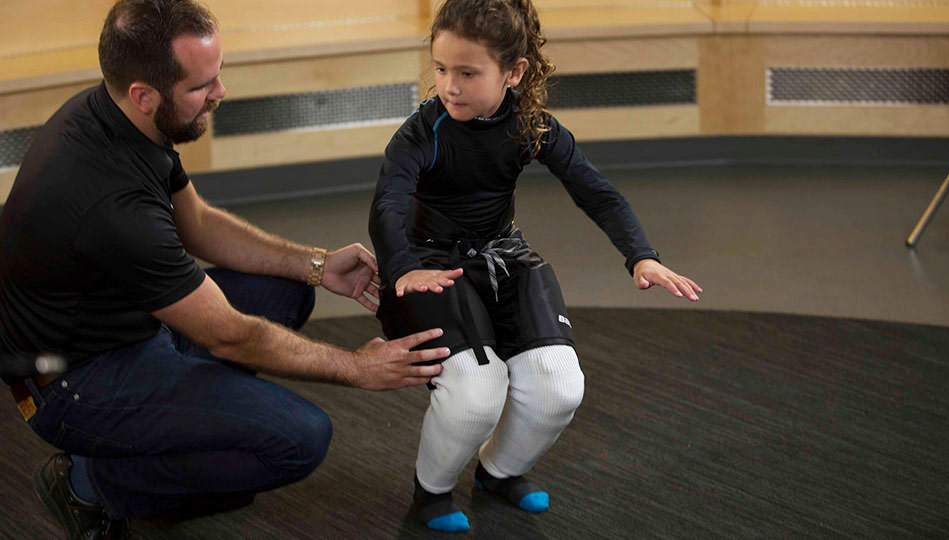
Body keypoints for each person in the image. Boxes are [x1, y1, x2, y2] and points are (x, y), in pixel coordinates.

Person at [0, 1, 450, 538]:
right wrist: (358, 367)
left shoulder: (119, 111)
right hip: (72, 384)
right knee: (300, 438)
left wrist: (317, 264)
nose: (221, 92)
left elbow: (199, 225)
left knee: (291, 291)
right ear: (144, 95)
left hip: (130, 323)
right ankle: (88, 484)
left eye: (218, 76)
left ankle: (185, 439)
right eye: (202, 86)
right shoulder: (113, 208)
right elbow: (230, 338)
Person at [369, 0, 703, 532]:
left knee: (558, 386)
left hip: (502, 256)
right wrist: (403, 265)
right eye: (440, 69)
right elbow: (387, 203)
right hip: (427, 265)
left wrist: (642, 256)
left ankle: (499, 473)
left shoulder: (532, 125)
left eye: (467, 73)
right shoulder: (420, 132)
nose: (448, 87)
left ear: (514, 71)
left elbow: (598, 194)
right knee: (478, 391)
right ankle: (430, 492)